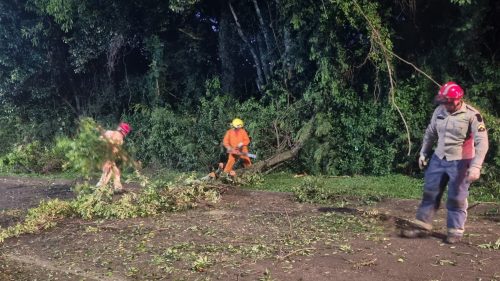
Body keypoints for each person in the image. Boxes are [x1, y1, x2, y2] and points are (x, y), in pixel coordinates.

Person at [402, 81, 489, 244]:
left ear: (457, 100)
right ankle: (422, 226)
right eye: (442, 102)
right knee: (430, 191)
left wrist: (476, 166)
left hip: (461, 161)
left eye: (447, 102)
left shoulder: (472, 115)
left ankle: (455, 231)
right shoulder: (439, 111)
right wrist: (423, 153)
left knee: (457, 196)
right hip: (439, 158)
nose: (444, 105)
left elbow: (482, 142)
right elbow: (430, 133)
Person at [96, 122, 132, 191]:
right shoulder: (120, 139)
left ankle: (112, 186)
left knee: (114, 170)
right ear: (124, 132)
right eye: (126, 133)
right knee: (113, 171)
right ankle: (103, 185)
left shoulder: (109, 132)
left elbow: (99, 140)